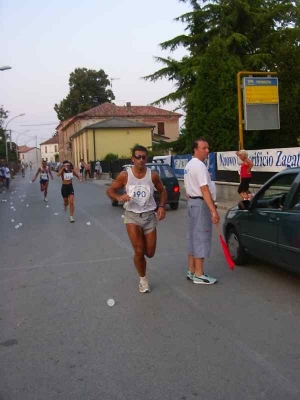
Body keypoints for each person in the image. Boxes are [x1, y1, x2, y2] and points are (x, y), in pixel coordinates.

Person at [106, 145, 167, 293]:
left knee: (150, 253)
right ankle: (143, 280)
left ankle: (141, 257)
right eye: (138, 157)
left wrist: (162, 206)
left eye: (144, 157)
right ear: (133, 159)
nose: (141, 160)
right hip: (132, 215)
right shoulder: (125, 175)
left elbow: (163, 191)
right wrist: (119, 197)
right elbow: (109, 190)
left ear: (146, 159)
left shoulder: (152, 175)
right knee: (139, 250)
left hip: (149, 216)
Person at [184, 138, 220, 285]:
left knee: (193, 237)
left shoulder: (189, 165)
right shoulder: (199, 166)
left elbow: (188, 189)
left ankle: (191, 270)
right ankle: (199, 274)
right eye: (204, 148)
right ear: (195, 149)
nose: (207, 151)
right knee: (201, 237)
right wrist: (213, 211)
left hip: (192, 202)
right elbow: (204, 189)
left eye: (208, 148)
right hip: (200, 203)